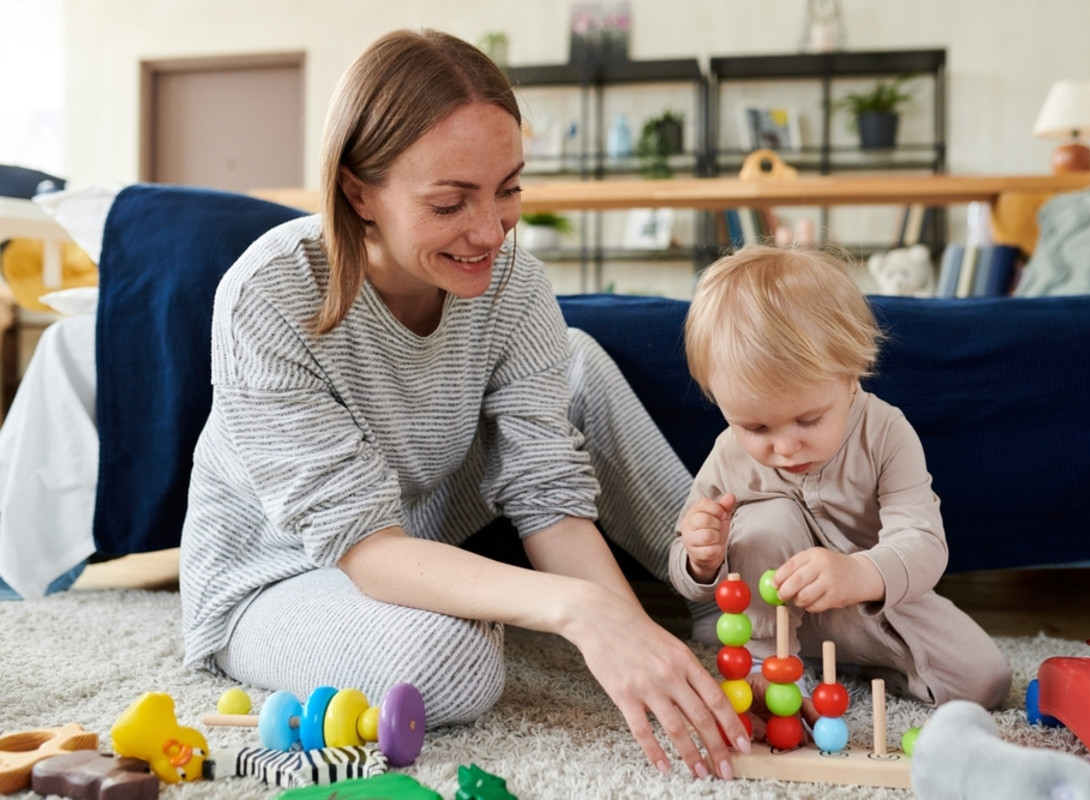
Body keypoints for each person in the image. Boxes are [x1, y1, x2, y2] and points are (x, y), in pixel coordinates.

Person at [177, 28, 747, 780]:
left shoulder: (516, 287)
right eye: (450, 202)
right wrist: (579, 610)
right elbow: (368, 551)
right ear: (358, 191)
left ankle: (717, 598)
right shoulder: (268, 297)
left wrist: (627, 629)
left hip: (413, 522)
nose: (490, 231)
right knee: (451, 663)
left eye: (508, 189)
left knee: (580, 359)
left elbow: (548, 495)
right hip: (276, 573)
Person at [668, 244, 1012, 720]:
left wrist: (859, 576)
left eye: (808, 419)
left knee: (986, 681)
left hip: (876, 606)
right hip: (778, 620)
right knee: (764, 520)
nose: (785, 448)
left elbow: (924, 542)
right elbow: (687, 568)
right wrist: (700, 558)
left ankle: (872, 664)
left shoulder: (886, 432)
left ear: (851, 377)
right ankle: (768, 665)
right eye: (757, 428)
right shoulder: (728, 452)